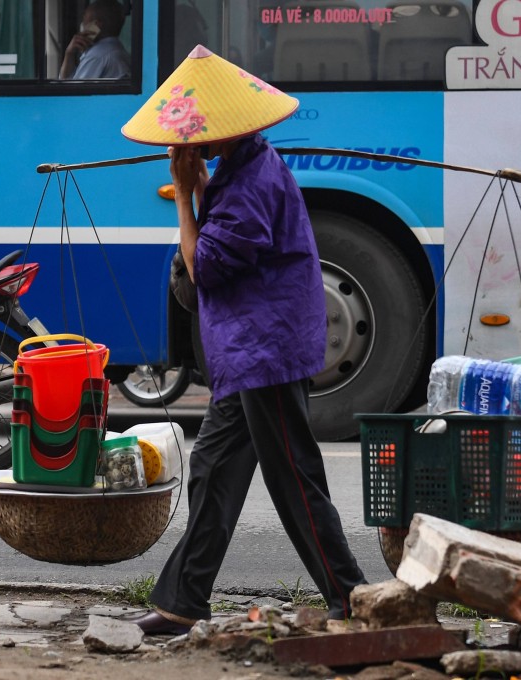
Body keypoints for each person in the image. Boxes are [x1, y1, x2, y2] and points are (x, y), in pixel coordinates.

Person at [121, 46, 367, 635]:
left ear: (217, 134)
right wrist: (204, 185)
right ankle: (183, 600)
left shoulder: (250, 181)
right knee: (213, 468)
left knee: (293, 476)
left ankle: (350, 595)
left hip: (268, 351)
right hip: (249, 352)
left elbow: (204, 267)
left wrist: (184, 194)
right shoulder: (242, 168)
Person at [59, 0, 131, 80]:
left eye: (84, 19)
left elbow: (72, 90)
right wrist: (69, 53)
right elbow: (68, 81)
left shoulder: (97, 55)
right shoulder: (118, 50)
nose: (82, 24)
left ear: (96, 25)